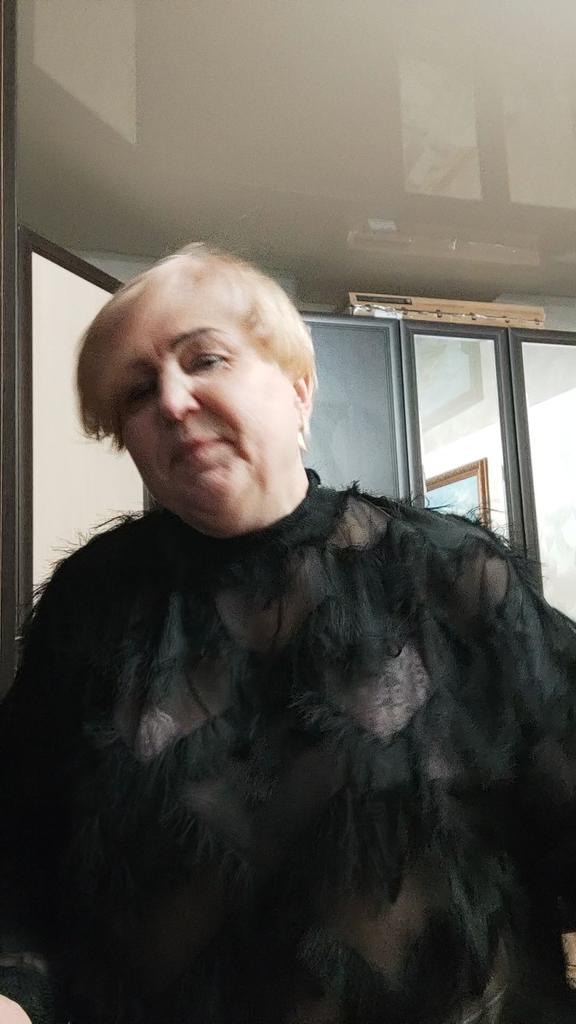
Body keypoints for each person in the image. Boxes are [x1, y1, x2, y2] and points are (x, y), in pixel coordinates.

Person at [1, 245, 576, 1024]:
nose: (172, 400)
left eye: (205, 359)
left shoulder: (452, 576)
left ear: (299, 389)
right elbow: (21, 842)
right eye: (138, 390)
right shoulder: (92, 603)